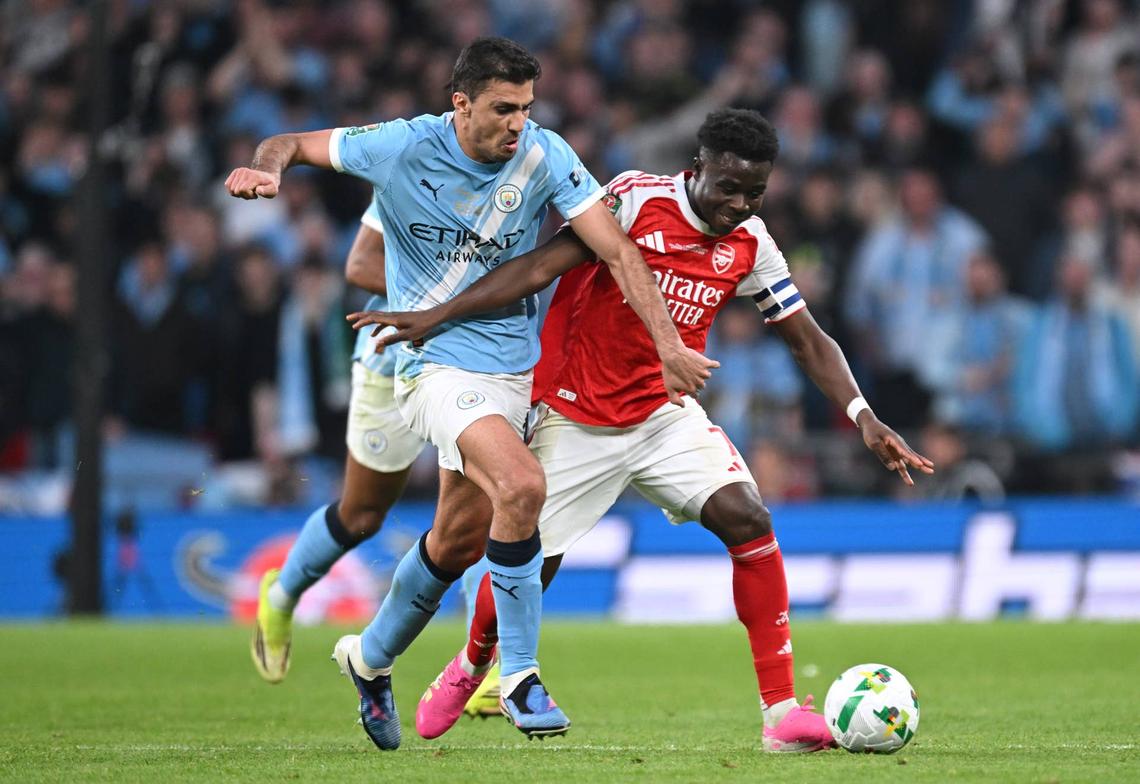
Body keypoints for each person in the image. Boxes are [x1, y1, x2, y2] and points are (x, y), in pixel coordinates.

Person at [350, 108, 934, 752]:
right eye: (728, 189)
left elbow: (806, 338)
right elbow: (540, 267)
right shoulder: (633, 200)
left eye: (755, 193)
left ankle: (781, 712)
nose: (738, 205)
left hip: (662, 416)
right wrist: (441, 313)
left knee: (749, 517)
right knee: (527, 566)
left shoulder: (752, 244)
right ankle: (473, 661)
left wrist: (864, 416)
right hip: (573, 415)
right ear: (696, 170)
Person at [226, 37, 714, 749]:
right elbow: (288, 144)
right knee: (511, 489)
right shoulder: (399, 146)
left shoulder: (545, 155)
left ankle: (369, 659)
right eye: (503, 109)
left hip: (511, 371)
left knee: (455, 541)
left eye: (526, 108)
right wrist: (265, 170)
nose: (518, 123)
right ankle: (516, 676)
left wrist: (669, 344)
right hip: (420, 360)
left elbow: (615, 248)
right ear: (461, 104)